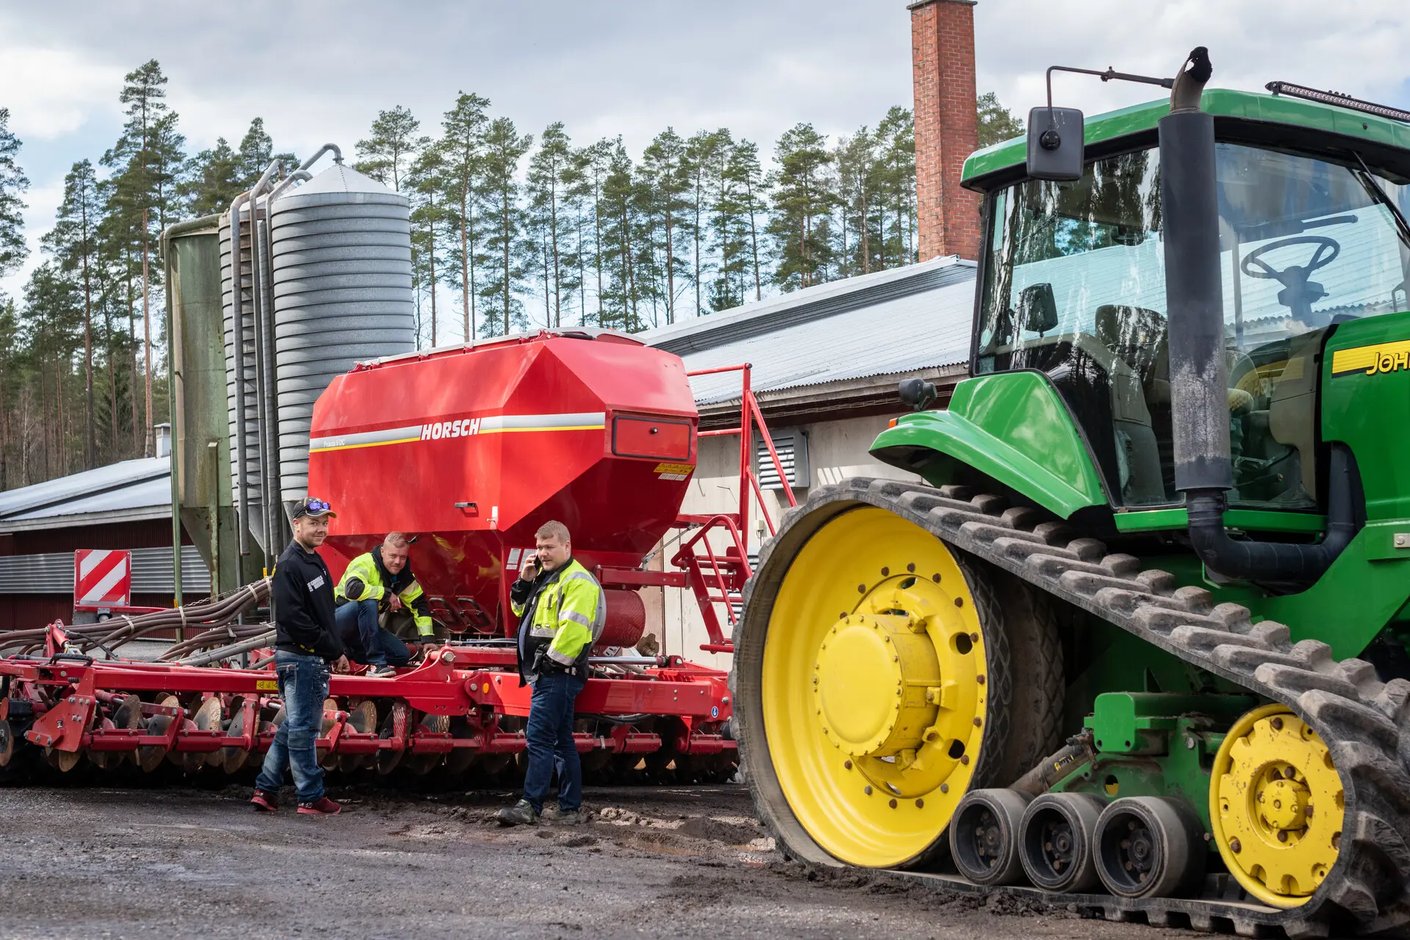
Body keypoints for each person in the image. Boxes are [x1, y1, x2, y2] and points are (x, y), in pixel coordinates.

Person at [496, 520, 604, 827]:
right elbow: (522, 613)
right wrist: (524, 582)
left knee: (539, 738)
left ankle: (530, 805)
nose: (543, 553)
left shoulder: (578, 582)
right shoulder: (547, 578)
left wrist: (548, 663)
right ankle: (569, 808)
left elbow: (573, 630)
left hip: (557, 673)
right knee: (560, 741)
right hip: (550, 673)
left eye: (549, 547)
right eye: (540, 547)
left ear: (566, 546)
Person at [250, 497, 349, 816]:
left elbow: (324, 613)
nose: (321, 529)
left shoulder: (313, 560)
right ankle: (310, 795)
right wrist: (329, 647)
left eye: (324, 523)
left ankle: (265, 789)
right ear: (297, 524)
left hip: (312, 657)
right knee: (305, 729)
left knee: (294, 725)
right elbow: (294, 619)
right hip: (300, 658)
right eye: (313, 523)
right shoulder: (291, 564)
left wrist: (337, 650)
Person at [333, 532, 436, 678]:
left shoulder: (403, 576)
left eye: (403, 557)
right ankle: (378, 665)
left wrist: (428, 639)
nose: (397, 562)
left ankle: (348, 652)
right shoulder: (365, 563)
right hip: (338, 621)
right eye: (393, 556)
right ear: (382, 551)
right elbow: (353, 590)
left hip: (364, 630)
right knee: (368, 602)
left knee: (401, 655)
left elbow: (419, 605)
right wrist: (386, 594)